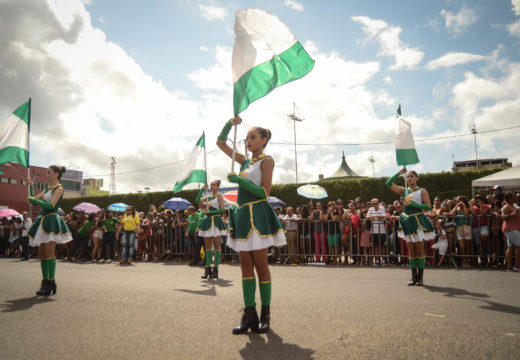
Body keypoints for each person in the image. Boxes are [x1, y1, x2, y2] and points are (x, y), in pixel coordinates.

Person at [216, 115, 286, 334]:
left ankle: (266, 314)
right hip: (242, 216)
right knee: (245, 266)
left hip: (258, 215)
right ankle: (249, 314)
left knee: (261, 265)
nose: (248, 141)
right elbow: (220, 143)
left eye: (253, 137)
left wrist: (240, 181)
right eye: (246, 138)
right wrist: (229, 124)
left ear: (264, 140)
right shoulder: (244, 161)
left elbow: (265, 193)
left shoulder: (267, 161)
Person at [26, 165, 72, 295]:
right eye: (47, 172)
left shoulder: (59, 189)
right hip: (42, 220)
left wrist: (35, 200)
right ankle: (45, 281)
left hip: (51, 220)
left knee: (49, 253)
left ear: (56, 174)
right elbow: (33, 201)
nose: (47, 174)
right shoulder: (47, 189)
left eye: (49, 172)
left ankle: (50, 282)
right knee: (41, 253)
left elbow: (51, 205)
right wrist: (30, 186)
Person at [386, 169, 435, 286]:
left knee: (419, 250)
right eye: (407, 177)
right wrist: (398, 173)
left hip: (417, 221)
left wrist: (412, 204)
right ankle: (414, 278)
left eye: (412, 176)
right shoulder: (404, 191)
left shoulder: (421, 190)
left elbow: (428, 206)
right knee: (411, 251)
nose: (409, 179)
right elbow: (388, 184)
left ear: (417, 178)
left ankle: (420, 278)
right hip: (407, 221)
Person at [196, 180, 227, 279]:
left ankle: (216, 269)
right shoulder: (208, 197)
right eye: (211, 185)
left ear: (218, 187)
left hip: (216, 222)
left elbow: (222, 209)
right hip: (208, 222)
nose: (211, 186)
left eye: (214, 185)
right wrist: (202, 189)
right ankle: (207, 269)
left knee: (217, 246)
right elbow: (197, 201)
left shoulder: (219, 196)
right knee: (207, 247)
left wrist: (210, 212)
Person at [501, 192, 520, 272]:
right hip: (511, 229)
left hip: (514, 228)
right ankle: (516, 266)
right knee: (519, 246)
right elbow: (503, 217)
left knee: (511, 247)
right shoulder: (507, 206)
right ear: (510, 198)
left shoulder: (514, 205)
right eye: (514, 196)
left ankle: (509, 267)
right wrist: (515, 213)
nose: (515, 197)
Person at [366, 198, 387, 266]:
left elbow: (383, 216)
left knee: (382, 245)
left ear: (378, 203)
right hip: (373, 230)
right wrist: (369, 217)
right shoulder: (371, 209)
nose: (375, 205)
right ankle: (377, 260)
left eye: (376, 203)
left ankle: (383, 260)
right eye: (373, 204)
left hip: (382, 230)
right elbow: (366, 216)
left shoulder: (381, 208)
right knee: (375, 246)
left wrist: (375, 216)